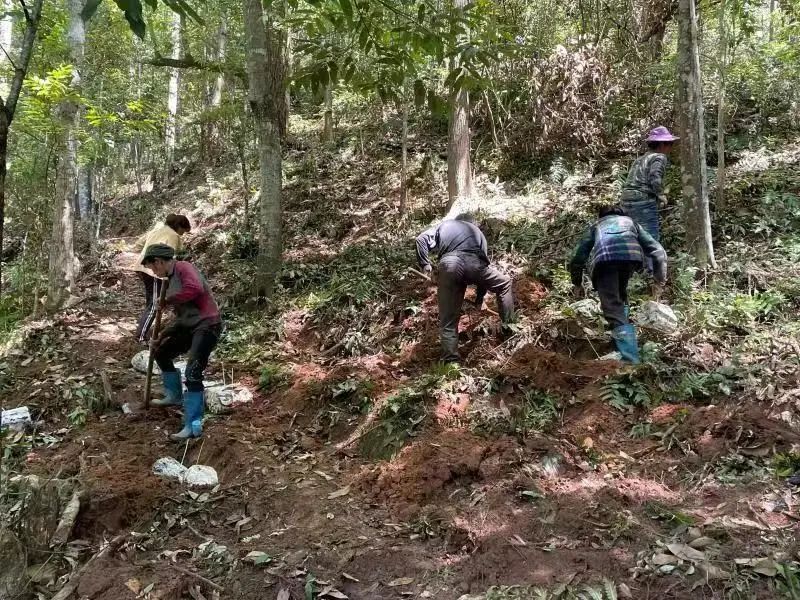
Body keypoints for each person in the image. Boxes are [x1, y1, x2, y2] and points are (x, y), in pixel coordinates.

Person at [141, 243, 222, 440]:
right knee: (161, 352)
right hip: (190, 326)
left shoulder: (184, 268)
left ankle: (193, 424)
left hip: (207, 325)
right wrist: (161, 335)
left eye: (153, 267)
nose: (154, 271)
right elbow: (181, 318)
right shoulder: (169, 281)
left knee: (192, 371)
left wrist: (167, 301)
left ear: (159, 261)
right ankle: (174, 395)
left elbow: (195, 288)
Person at [569, 205, 667, 364]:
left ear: (601, 216)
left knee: (612, 305)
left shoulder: (597, 225)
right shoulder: (632, 223)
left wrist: (577, 283)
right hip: (630, 259)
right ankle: (621, 340)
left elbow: (578, 256)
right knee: (620, 296)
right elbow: (657, 250)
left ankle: (630, 359)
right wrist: (659, 279)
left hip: (605, 261)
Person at [416, 214, 514, 363]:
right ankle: (510, 330)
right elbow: (483, 269)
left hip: (448, 265)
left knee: (448, 320)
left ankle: (451, 362)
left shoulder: (445, 225)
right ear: (473, 223)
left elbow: (420, 239)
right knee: (504, 283)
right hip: (473, 264)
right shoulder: (478, 233)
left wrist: (426, 266)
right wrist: (479, 299)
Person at [132, 214, 191, 343]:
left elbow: (138, 244)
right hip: (153, 270)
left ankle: (143, 331)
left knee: (151, 302)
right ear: (179, 226)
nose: (182, 235)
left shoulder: (159, 229)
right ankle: (140, 336)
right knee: (155, 305)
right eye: (183, 231)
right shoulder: (173, 235)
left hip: (143, 267)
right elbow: (172, 256)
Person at [620, 126, 678, 253]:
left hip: (626, 199)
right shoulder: (659, 157)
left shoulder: (640, 159)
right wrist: (661, 195)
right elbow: (655, 178)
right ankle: (650, 269)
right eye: (670, 144)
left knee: (631, 234)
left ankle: (635, 266)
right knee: (650, 237)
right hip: (642, 200)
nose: (671, 147)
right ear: (662, 144)